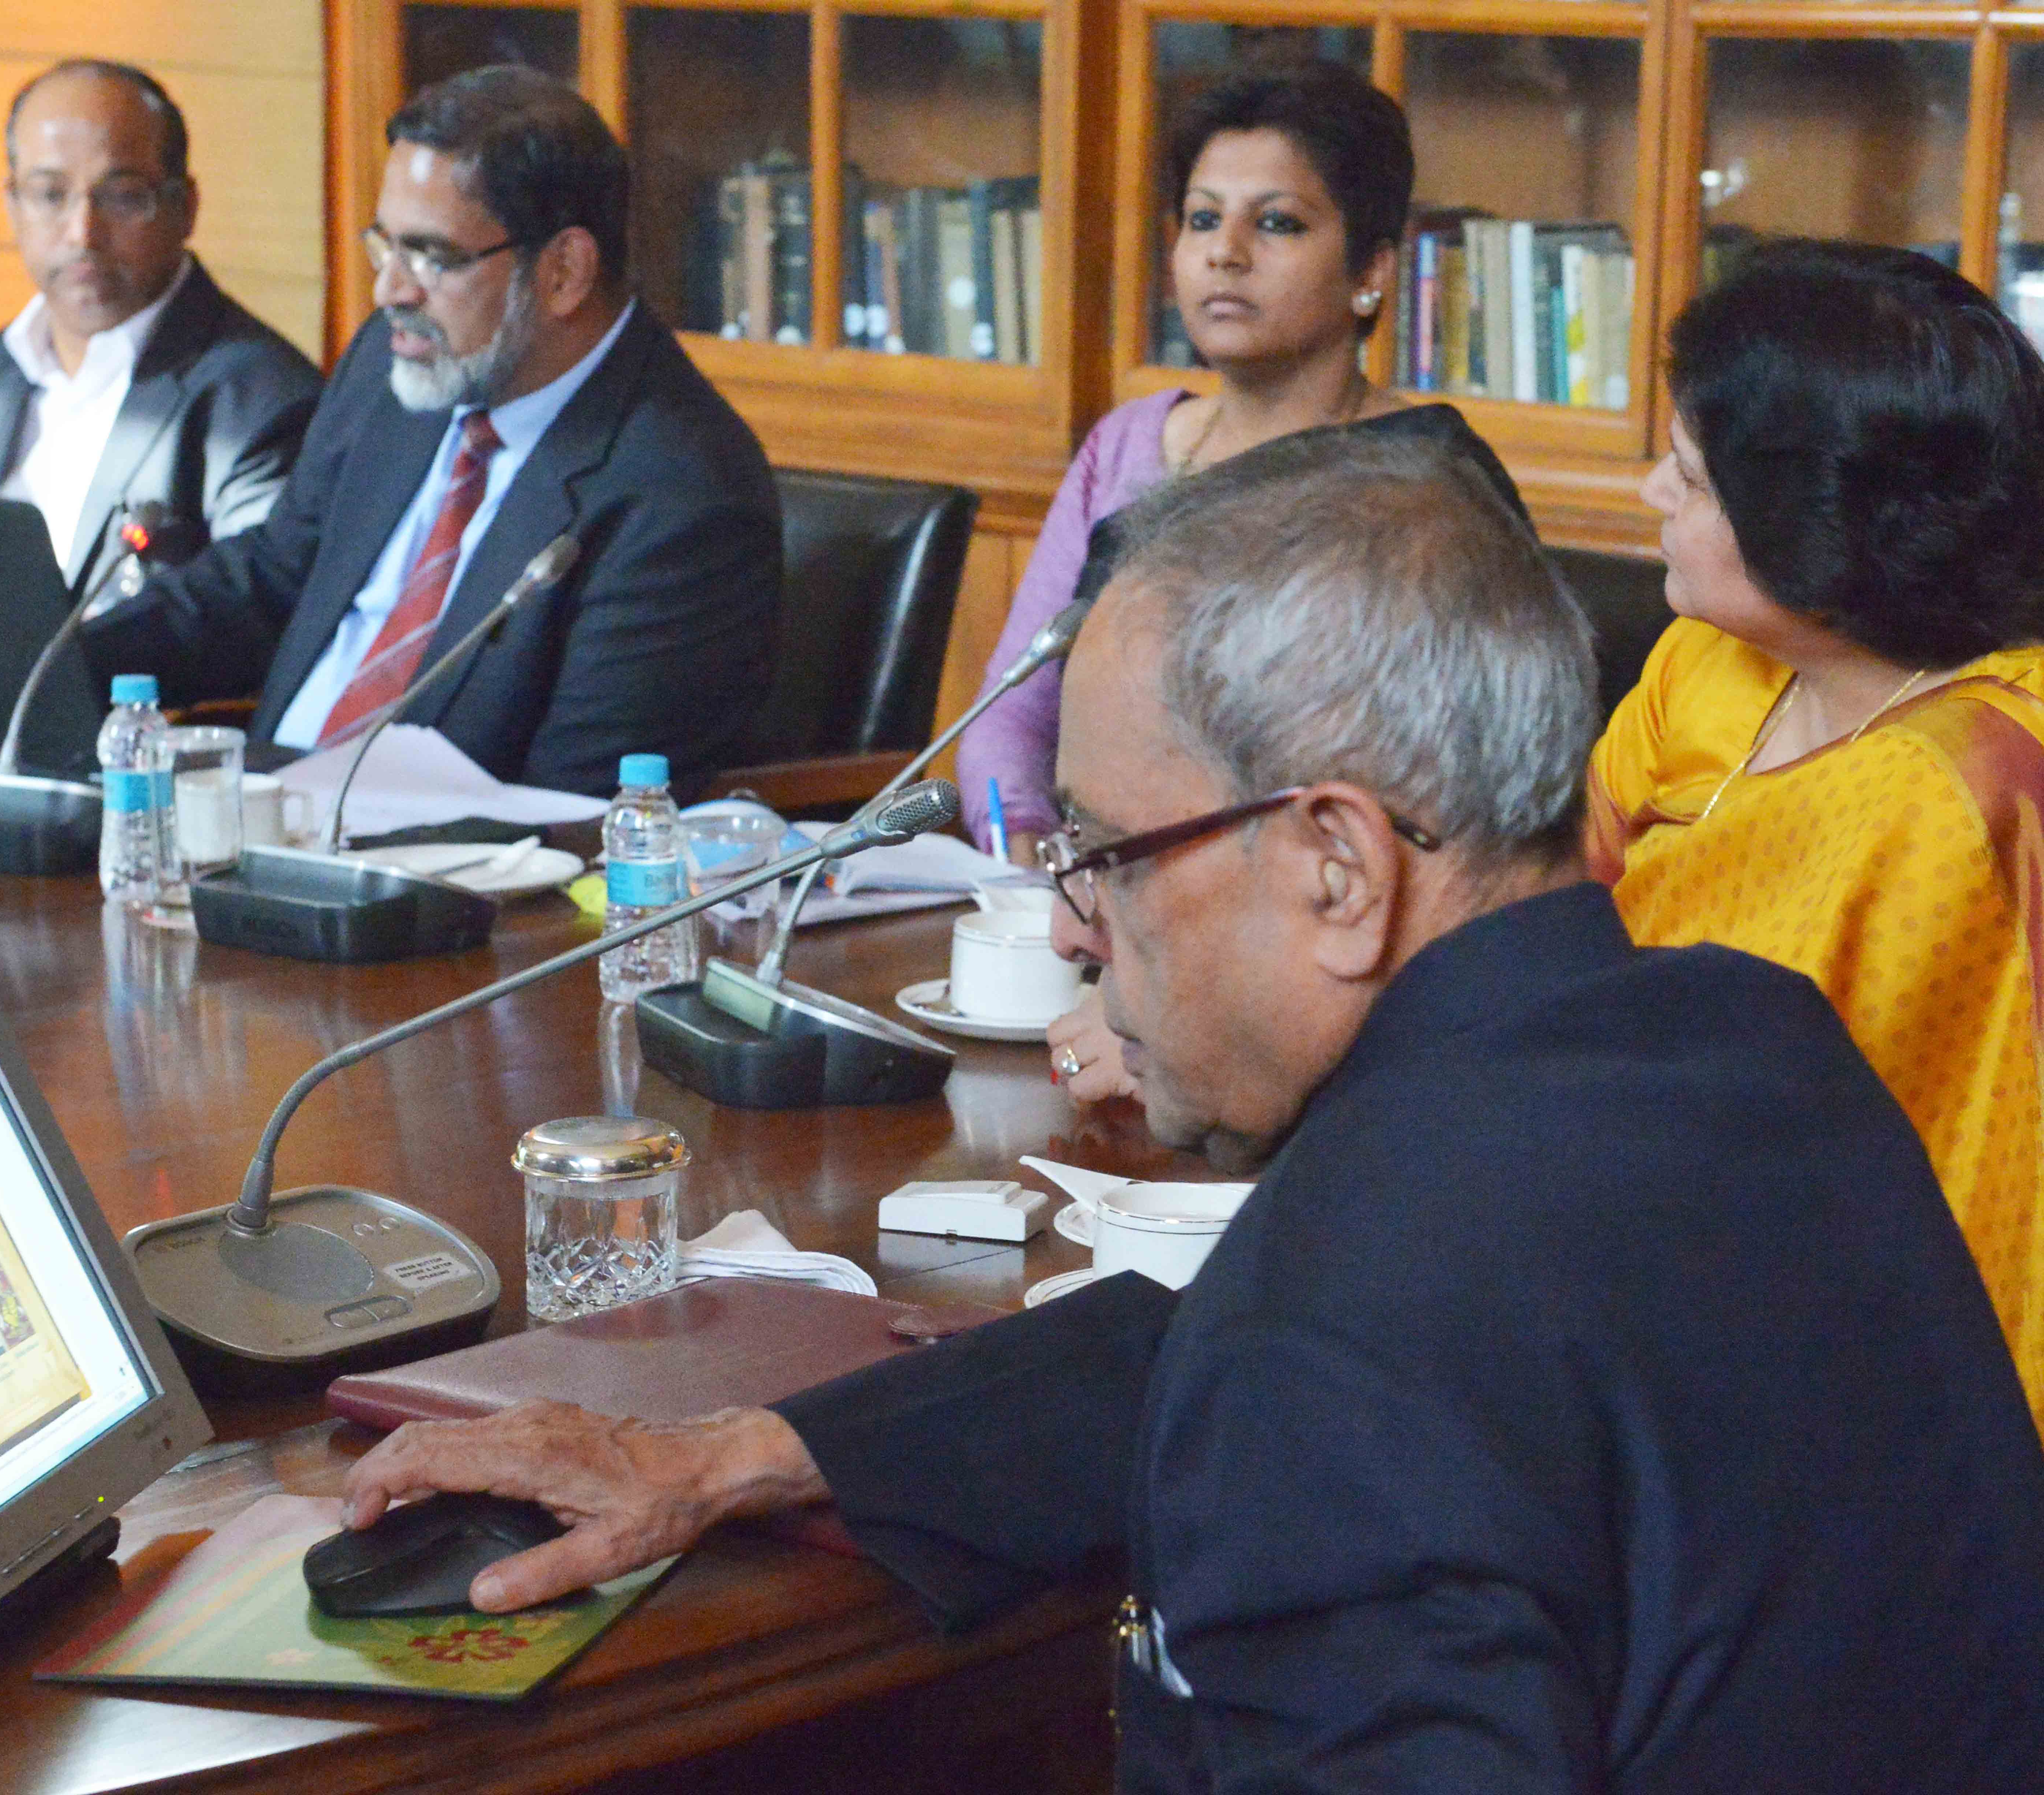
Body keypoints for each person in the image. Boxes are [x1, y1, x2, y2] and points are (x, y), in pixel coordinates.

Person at [339, 432, 2044, 1794]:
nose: (1070, 919)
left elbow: (1332, 1373)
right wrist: (730, 1450)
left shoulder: (1344, 1345)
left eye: (1101, 849)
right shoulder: (1741, 1043)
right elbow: (1330, 1356)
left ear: (1335, 864)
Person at [964, 57, 1525, 1104]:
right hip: (1091, 949)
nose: (1223, 253)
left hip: (1311, 1004)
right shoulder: (1131, 446)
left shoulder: (1423, 490)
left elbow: (1412, 817)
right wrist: (1053, 891)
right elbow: (1004, 730)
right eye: (1201, 219)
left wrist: (1160, 983)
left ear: (1372, 271)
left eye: (1277, 225)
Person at [1587, 240, 2044, 1425]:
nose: (1650, 495)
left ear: (1821, 520)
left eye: (1688, 477)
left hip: (1852, 1368)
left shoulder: (1972, 779)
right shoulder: (1712, 657)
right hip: (1622, 1229)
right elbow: (1548, 903)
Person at [81, 65, 782, 798]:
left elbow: (586, 814)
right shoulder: (399, 372)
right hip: (250, 827)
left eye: (432, 256)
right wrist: (54, 667)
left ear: (564, 273)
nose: (390, 290)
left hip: (447, 888)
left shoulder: (684, 496)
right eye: (386, 246)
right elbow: (269, 578)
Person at [0, 61, 322, 605]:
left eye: (123, 197)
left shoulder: (262, 401)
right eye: (50, 195)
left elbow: (249, 617)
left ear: (185, 208)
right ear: (13, 208)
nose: (84, 233)